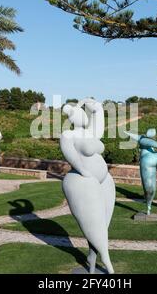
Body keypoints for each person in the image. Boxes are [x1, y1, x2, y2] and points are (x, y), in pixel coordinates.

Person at [60, 98, 116, 274]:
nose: (83, 115)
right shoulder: (68, 135)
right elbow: (70, 155)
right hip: (83, 181)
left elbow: (98, 121)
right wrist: (83, 171)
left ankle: (92, 256)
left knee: (102, 223)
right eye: (79, 113)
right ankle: (106, 259)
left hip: (104, 180)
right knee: (93, 222)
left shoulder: (89, 133)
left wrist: (96, 107)